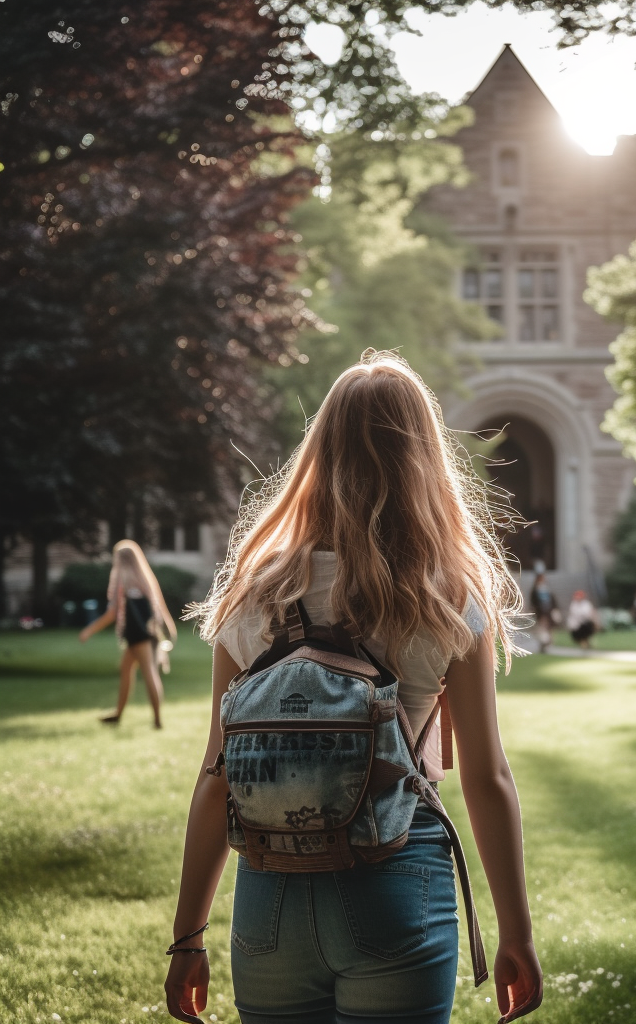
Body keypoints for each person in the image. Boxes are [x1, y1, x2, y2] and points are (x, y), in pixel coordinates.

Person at [164, 351, 542, 1024]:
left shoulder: (254, 593)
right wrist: (516, 934)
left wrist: (187, 937)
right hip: (399, 882)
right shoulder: (447, 595)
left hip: (269, 896)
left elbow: (216, 777)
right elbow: (487, 779)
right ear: (424, 458)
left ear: (321, 450)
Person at [78, 538, 177, 728]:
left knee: (149, 671)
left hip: (136, 634)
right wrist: (166, 628)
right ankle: (118, 714)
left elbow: (112, 613)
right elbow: (158, 606)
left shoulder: (122, 580)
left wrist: (88, 631)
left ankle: (157, 720)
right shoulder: (144, 578)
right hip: (145, 632)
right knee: (126, 669)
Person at [529, 572, 559, 653]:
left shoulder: (546, 589)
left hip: (548, 611)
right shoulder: (535, 591)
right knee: (542, 629)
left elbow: (552, 600)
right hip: (541, 613)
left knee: (549, 628)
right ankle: (543, 644)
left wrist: (554, 609)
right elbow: (534, 603)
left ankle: (549, 643)